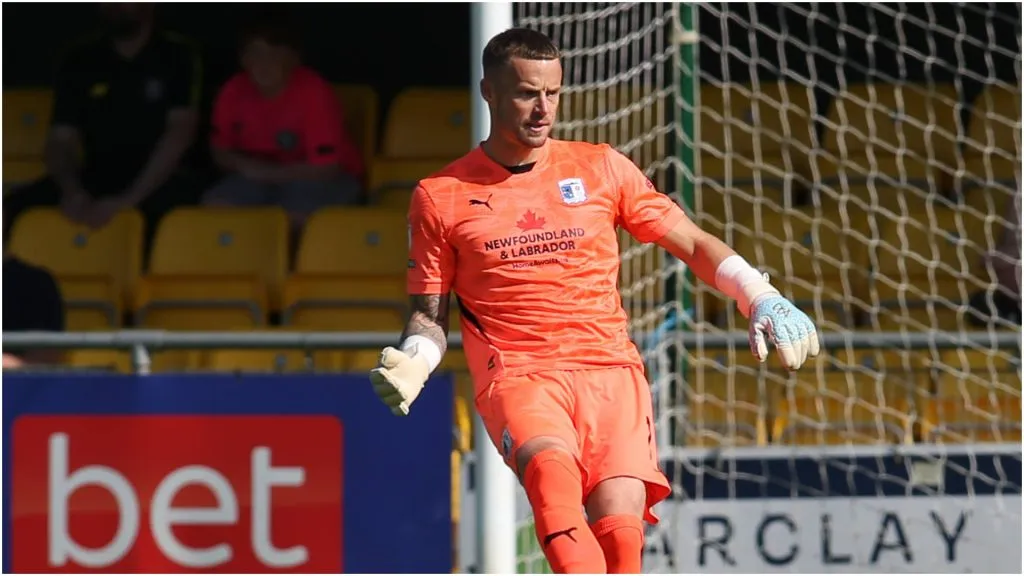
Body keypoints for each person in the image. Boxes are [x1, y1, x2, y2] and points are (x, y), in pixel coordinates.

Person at [369, 28, 819, 574]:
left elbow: (693, 242)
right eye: (526, 94)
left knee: (622, 542)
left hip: (611, 371)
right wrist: (415, 361)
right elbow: (428, 315)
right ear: (488, 91)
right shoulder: (440, 196)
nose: (542, 110)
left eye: (553, 94)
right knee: (554, 491)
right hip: (522, 373)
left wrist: (760, 294)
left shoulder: (600, 166)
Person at [3, 3, 202, 248]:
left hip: (157, 179)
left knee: (182, 219)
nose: (113, 6)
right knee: (10, 209)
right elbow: (60, 140)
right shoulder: (79, 58)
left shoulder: (178, 54)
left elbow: (180, 134)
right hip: (94, 176)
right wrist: (72, 190)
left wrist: (129, 199)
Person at [202, 10, 365, 243]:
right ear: (243, 59)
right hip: (259, 176)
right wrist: (248, 167)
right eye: (255, 53)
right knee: (215, 207)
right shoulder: (233, 91)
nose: (264, 63)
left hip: (321, 178)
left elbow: (327, 167)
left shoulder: (313, 92)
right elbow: (220, 150)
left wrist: (265, 174)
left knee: (291, 219)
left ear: (294, 59)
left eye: (275, 54)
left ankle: (286, 276)